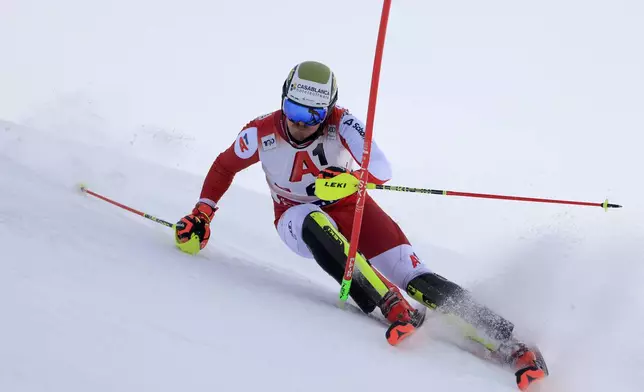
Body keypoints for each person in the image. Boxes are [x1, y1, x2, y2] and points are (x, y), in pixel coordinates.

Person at [174, 60, 547, 390]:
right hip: (295, 215)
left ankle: (510, 343)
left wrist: (357, 178)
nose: (300, 124)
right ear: (282, 98)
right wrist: (203, 213)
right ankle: (389, 304)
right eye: (292, 109)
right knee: (313, 219)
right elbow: (225, 166)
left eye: (312, 116)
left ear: (329, 110)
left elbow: (382, 170)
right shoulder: (261, 133)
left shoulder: (343, 123)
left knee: (417, 278)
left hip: (352, 207)